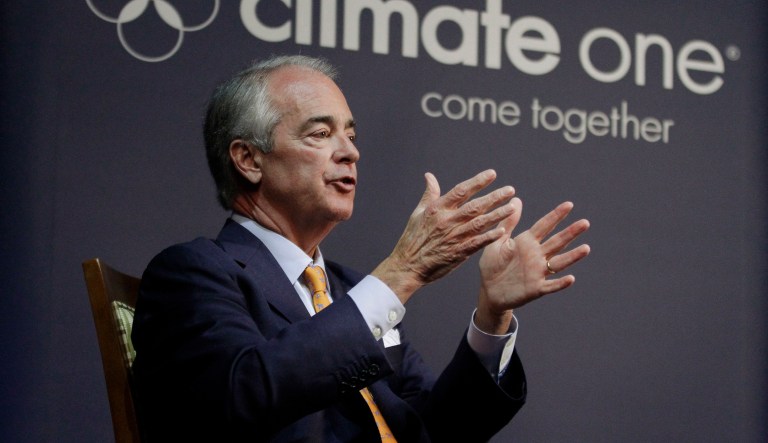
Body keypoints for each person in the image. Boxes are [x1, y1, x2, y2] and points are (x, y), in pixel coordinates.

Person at [131, 55, 591, 443]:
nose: (350, 152)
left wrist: (492, 317)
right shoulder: (193, 272)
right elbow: (242, 395)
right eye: (320, 134)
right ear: (249, 159)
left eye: (351, 135)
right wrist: (403, 272)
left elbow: (435, 430)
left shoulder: (349, 290)